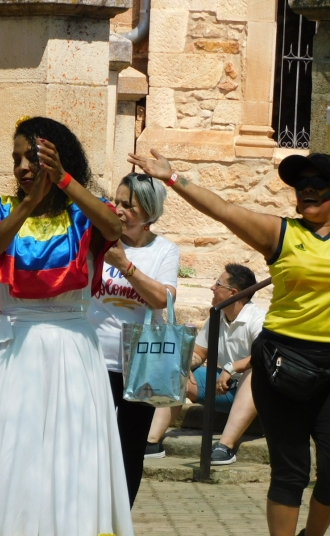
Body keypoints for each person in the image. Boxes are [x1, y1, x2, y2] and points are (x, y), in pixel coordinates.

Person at [0, 116, 133, 536]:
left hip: (72, 350)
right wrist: (29, 204)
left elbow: (115, 227)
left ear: (56, 159)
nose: (21, 166)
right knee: (10, 446)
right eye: (16, 158)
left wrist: (66, 183)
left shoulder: (82, 213)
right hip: (14, 349)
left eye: (31, 157)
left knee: (68, 447)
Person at [128, 149, 330, 536]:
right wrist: (172, 179)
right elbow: (223, 209)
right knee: (291, 472)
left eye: (318, 183)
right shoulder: (282, 233)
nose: (307, 189)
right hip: (285, 363)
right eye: (300, 183)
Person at [87, 172, 179, 506]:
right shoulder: (100, 241)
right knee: (88, 442)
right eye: (117, 201)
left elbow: (161, 299)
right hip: (93, 357)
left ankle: (119, 518)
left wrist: (125, 266)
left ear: (149, 213)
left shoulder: (165, 251)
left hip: (139, 365)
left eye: (130, 205)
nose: (119, 210)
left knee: (130, 448)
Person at [145, 264, 265, 465]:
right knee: (178, 368)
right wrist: (186, 365)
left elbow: (264, 356)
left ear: (233, 293)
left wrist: (232, 367)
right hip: (223, 389)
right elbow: (200, 353)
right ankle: (151, 442)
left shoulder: (258, 319)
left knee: (255, 372)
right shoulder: (216, 316)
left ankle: (225, 446)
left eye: (217, 284)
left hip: (257, 397)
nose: (211, 287)